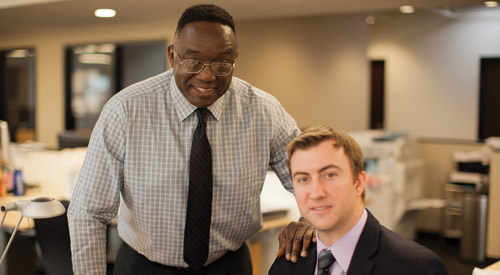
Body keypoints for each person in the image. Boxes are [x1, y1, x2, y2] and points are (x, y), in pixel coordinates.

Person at [67, 4, 314, 275]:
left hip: (228, 265)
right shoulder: (126, 110)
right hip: (144, 266)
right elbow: (88, 213)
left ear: (234, 60)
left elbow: (310, 177)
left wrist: (312, 217)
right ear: (173, 56)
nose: (207, 76)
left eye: (222, 63)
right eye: (193, 61)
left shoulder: (264, 111)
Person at [268, 126, 449, 275]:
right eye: (303, 179)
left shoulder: (416, 268)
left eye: (329, 175)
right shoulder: (289, 261)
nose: (316, 193)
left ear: (359, 182)